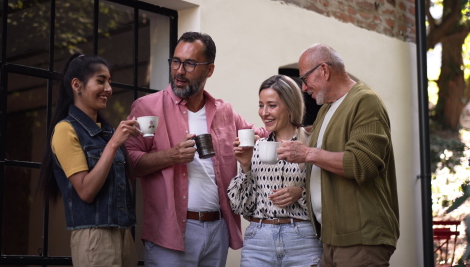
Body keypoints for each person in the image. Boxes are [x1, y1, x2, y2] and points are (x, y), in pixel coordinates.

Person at [125, 32, 268, 267]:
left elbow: (259, 134)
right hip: (170, 234)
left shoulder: (224, 112)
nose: (179, 70)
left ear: (209, 70)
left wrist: (298, 128)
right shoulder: (147, 107)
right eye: (176, 61)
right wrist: (172, 155)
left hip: (218, 229)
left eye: (190, 64)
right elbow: (129, 162)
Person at [277, 44, 399, 267]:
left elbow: (362, 163)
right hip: (333, 238)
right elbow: (310, 140)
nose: (303, 88)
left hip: (360, 239)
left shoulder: (365, 101)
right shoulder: (327, 108)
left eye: (305, 78)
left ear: (324, 70)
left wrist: (307, 154)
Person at [38, 54, 138, 267]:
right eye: (100, 81)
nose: (108, 88)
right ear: (77, 85)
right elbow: (85, 191)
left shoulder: (107, 131)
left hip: (123, 233)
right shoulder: (65, 130)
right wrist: (113, 145)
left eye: (109, 81)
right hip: (94, 237)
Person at [227, 75, 323, 267]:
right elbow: (240, 207)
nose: (264, 113)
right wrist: (245, 166)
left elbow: (329, 195)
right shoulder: (254, 147)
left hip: (302, 240)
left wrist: (301, 194)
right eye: (261, 105)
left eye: (272, 105)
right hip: (258, 241)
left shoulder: (312, 145)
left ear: (290, 106)